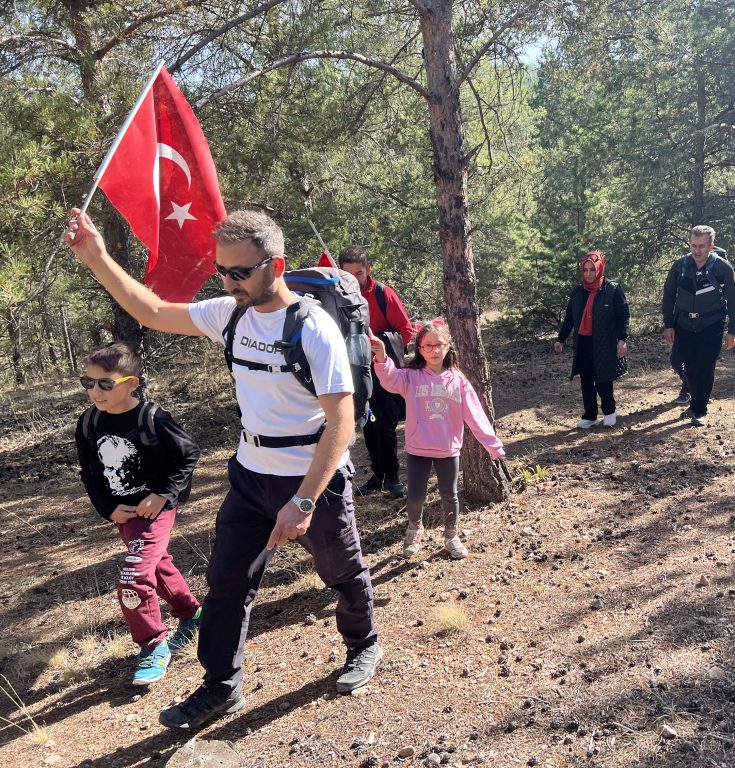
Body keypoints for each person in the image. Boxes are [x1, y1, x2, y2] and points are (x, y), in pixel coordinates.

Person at [65, 208, 380, 731]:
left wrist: (303, 500)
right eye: (222, 271)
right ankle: (220, 686)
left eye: (240, 272)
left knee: (340, 570)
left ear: (275, 266)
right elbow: (152, 310)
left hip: (313, 479)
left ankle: (363, 643)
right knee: (227, 583)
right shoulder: (230, 314)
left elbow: (341, 422)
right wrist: (96, 257)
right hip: (250, 475)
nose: (229, 282)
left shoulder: (313, 328)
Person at [75, 343, 202, 687]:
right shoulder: (89, 422)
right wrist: (108, 509)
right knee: (156, 565)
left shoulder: (153, 418)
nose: (95, 390)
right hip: (124, 513)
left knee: (133, 576)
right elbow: (89, 472)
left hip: (156, 510)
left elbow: (188, 454)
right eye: (88, 382)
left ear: (131, 384)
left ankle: (152, 644)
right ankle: (192, 613)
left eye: (105, 383)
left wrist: (162, 495)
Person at [370, 321, 504, 559]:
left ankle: (451, 536)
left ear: (448, 346)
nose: (434, 350)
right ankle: (414, 529)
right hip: (418, 448)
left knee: (450, 496)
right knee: (415, 496)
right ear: (420, 349)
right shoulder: (411, 377)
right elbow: (390, 379)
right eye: (428, 346)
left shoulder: (457, 381)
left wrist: (493, 446)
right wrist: (381, 357)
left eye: (438, 345)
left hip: (447, 450)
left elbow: (475, 414)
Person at [338, 245, 415, 498]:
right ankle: (378, 476)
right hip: (354, 372)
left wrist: (380, 350)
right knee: (367, 423)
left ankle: (393, 477)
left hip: (384, 371)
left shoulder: (383, 294)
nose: (354, 279)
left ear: (368, 269)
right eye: (348, 274)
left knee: (384, 424)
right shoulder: (337, 297)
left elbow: (406, 331)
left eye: (359, 273)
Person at [661, 226, 735, 427]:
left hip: (711, 324)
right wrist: (668, 324)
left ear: (711, 246)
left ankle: (698, 409)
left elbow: (733, 301)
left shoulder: (722, 268)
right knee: (679, 362)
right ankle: (693, 391)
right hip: (684, 323)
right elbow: (669, 295)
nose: (697, 250)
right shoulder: (680, 266)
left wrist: (732, 330)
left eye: (701, 246)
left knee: (704, 367)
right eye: (693, 246)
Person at [554, 251, 629, 429]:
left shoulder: (612, 290)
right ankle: (590, 415)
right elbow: (570, 318)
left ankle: (610, 412)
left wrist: (622, 339)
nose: (588, 274)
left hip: (604, 342)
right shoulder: (578, 291)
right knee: (586, 380)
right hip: (583, 343)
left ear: (599, 268)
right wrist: (561, 339)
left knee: (603, 379)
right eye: (585, 270)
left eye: (592, 269)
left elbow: (623, 316)